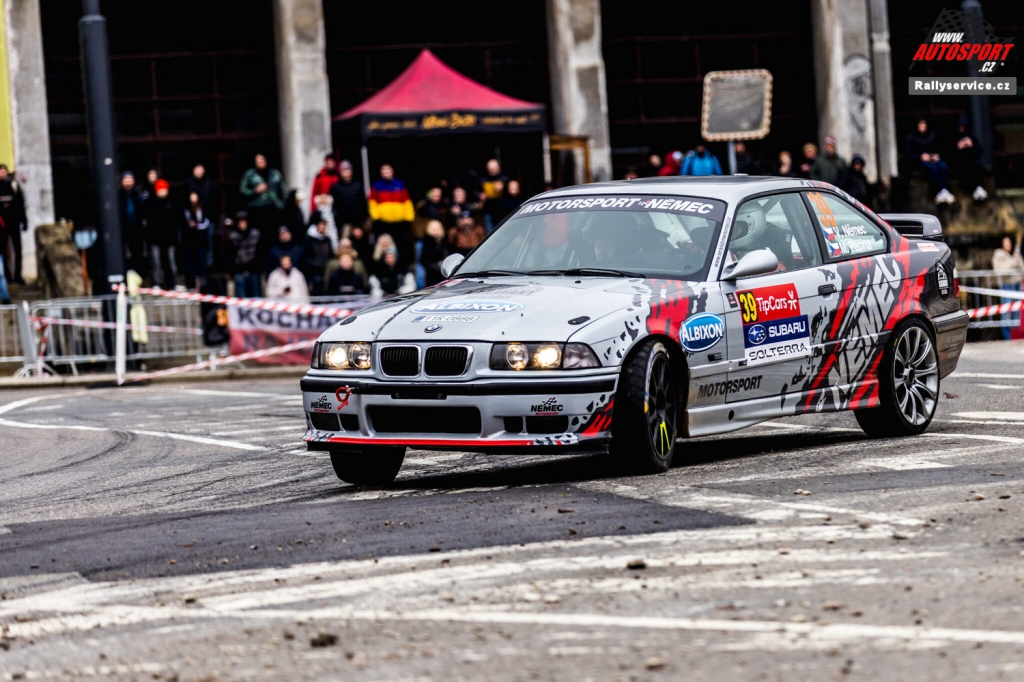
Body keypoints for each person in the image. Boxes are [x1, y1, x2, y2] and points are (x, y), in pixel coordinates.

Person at [368, 163, 415, 267]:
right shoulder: (376, 186)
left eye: (388, 170)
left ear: (392, 171)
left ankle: (402, 268)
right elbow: (372, 203)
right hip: (383, 223)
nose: (386, 172)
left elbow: (407, 202)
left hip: (399, 223)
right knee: (383, 248)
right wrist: (376, 216)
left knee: (402, 247)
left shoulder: (400, 184)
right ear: (381, 173)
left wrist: (409, 217)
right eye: (383, 170)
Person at [239, 153, 286, 249]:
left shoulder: (275, 174)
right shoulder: (250, 174)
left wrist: (281, 204)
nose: (260, 163)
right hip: (256, 211)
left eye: (262, 160)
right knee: (258, 238)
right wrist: (255, 191)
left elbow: (282, 191)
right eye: (258, 161)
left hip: (273, 210)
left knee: (273, 237)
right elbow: (242, 191)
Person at [905, 118, 954, 205]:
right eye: (920, 125)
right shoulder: (912, 137)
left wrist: (936, 155)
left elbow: (940, 148)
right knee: (933, 169)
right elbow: (909, 153)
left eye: (924, 125)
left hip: (933, 159)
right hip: (920, 161)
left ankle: (943, 191)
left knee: (943, 166)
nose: (922, 127)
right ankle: (942, 191)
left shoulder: (932, 135)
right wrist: (920, 156)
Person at [992, 236, 1024, 341]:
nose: (1007, 245)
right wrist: (1014, 262)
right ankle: (1007, 336)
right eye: (1005, 243)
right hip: (1007, 286)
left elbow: (1022, 267)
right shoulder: (999, 255)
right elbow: (1001, 270)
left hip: (1016, 286)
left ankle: (1014, 335)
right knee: (1007, 312)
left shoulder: (1015, 255)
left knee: (1016, 312)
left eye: (1009, 242)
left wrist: (1017, 260)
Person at [0, 165, 27, 284]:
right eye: (0, 172)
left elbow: (20, 204)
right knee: (2, 251)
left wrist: (24, 221)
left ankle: (18, 276)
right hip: (1, 225)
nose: (2, 174)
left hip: (14, 222)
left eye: (4, 171)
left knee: (18, 250)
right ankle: (7, 276)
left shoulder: (14, 185)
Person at [951, 115, 987, 202]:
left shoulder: (971, 138)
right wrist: (959, 147)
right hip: (960, 164)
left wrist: (971, 145)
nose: (961, 129)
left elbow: (979, 151)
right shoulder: (954, 138)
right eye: (960, 127)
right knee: (965, 171)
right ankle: (974, 190)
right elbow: (951, 154)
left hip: (972, 162)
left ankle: (978, 189)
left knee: (977, 168)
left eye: (963, 127)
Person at [118, 171, 148, 276]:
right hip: (123, 228)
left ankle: (140, 275)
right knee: (123, 253)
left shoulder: (138, 193)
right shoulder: (119, 194)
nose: (128, 182)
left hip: (137, 227)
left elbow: (144, 208)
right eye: (126, 179)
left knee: (138, 252)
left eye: (130, 179)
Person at [227, 211, 261, 297]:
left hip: (254, 271)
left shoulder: (255, 234)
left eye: (244, 222)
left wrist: (258, 267)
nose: (242, 224)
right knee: (241, 300)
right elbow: (229, 255)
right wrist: (232, 271)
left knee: (257, 299)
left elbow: (260, 252)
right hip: (239, 272)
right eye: (240, 222)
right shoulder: (232, 237)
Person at [329, 159, 368, 233]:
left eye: (347, 170)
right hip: (343, 224)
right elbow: (334, 207)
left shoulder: (358, 186)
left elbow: (363, 204)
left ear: (351, 171)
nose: (345, 172)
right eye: (343, 170)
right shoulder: (335, 187)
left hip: (358, 223)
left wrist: (360, 224)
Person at [182, 191, 212, 290]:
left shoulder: (202, 208)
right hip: (188, 241)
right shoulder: (185, 210)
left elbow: (206, 223)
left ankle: (203, 285)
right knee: (190, 264)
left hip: (200, 240)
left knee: (202, 263)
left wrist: (198, 225)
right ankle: (191, 285)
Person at [303, 219, 334, 295]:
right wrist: (313, 264)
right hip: (314, 270)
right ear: (317, 226)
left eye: (324, 226)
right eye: (321, 225)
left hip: (326, 269)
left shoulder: (327, 239)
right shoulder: (309, 239)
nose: (322, 227)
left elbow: (331, 254)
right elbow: (306, 254)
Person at [419, 219, 450, 287]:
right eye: (434, 230)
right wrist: (436, 266)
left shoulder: (446, 242)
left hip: (445, 275)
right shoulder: (427, 244)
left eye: (438, 230)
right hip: (432, 276)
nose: (436, 232)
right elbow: (423, 260)